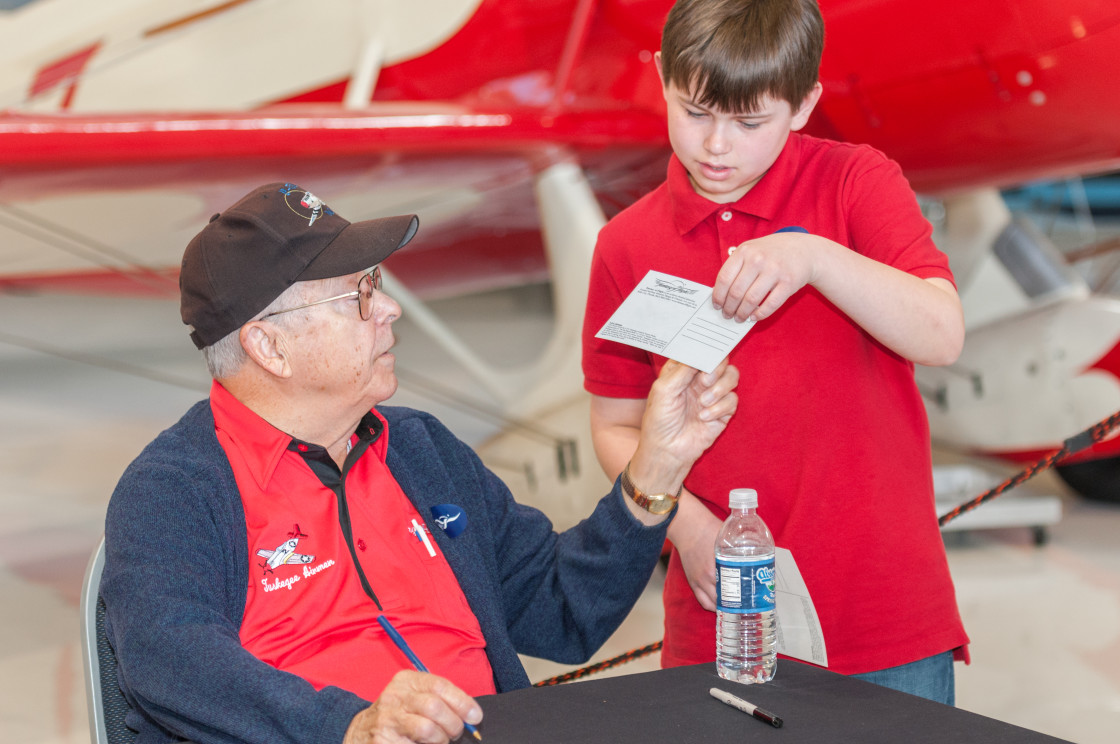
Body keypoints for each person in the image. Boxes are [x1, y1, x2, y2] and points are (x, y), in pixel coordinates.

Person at [101, 182, 739, 744]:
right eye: (359, 294)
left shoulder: (420, 450)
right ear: (269, 347)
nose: (389, 309)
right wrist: (349, 728)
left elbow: (560, 609)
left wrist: (654, 467)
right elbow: (167, 656)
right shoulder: (176, 488)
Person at [581, 0, 968, 704]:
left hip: (885, 614)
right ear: (662, 77)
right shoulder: (626, 245)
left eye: (750, 122)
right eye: (695, 111)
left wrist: (814, 257)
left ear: (803, 105)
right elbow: (614, 424)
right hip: (721, 615)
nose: (716, 147)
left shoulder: (856, 184)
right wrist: (688, 528)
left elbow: (941, 333)